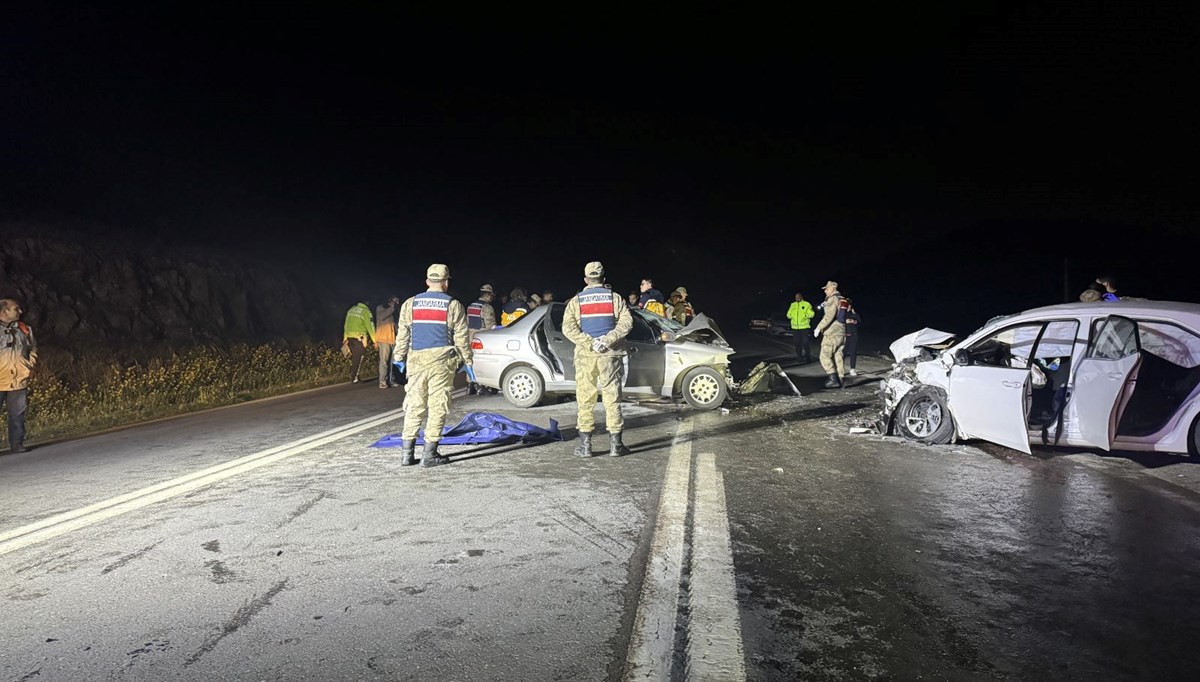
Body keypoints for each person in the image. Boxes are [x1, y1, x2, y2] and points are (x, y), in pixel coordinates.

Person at [393, 264, 472, 468]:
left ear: (428, 281)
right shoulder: (453, 305)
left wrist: (399, 358)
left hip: (416, 361)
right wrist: (468, 361)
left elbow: (403, 335)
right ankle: (430, 454)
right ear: (446, 283)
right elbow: (462, 337)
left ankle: (406, 454)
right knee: (438, 406)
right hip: (441, 362)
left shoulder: (410, 304)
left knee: (414, 404)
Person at [562, 261, 634, 457]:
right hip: (610, 354)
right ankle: (616, 446)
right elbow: (627, 322)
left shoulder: (576, 301)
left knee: (585, 398)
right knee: (612, 398)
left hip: (586, 355)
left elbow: (567, 328)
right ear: (603, 279)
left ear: (586, 279)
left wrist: (589, 342)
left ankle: (585, 447)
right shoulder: (615, 298)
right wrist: (607, 340)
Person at [1, 298, 36, 453]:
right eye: (16, 309)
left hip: (18, 378)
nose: (20, 311)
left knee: (18, 413)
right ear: (4, 311)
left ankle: (17, 443)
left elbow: (33, 348)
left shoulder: (24, 329)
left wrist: (30, 365)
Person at [813, 281, 848, 388]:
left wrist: (818, 328)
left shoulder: (833, 299)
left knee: (824, 356)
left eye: (827, 289)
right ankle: (841, 378)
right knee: (838, 355)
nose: (825, 290)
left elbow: (829, 316)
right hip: (841, 332)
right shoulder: (842, 299)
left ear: (833, 288)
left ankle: (833, 378)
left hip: (832, 332)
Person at [467, 284, 498, 395]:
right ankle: (482, 386)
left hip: (470, 337)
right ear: (488, 295)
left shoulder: (470, 306)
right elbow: (491, 326)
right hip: (482, 339)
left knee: (470, 360)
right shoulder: (487, 308)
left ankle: (470, 384)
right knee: (483, 361)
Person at [342, 300, 375, 383]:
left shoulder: (351, 310)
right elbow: (370, 327)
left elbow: (346, 324)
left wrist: (345, 337)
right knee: (359, 357)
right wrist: (375, 340)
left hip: (349, 338)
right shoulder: (366, 311)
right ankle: (354, 377)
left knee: (354, 357)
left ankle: (355, 375)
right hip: (359, 338)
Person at [375, 295, 401, 388]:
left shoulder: (394, 311)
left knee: (392, 362)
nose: (397, 303)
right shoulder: (381, 308)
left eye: (398, 301)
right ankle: (382, 381)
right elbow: (382, 317)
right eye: (395, 301)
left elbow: (397, 325)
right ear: (390, 301)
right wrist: (391, 308)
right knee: (384, 361)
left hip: (393, 339)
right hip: (384, 339)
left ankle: (391, 380)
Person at [786, 292, 815, 363]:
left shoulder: (807, 304)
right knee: (797, 343)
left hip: (804, 327)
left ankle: (808, 357)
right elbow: (788, 314)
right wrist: (790, 315)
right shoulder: (793, 305)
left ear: (802, 297)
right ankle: (799, 356)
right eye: (796, 297)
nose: (797, 298)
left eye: (798, 297)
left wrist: (805, 316)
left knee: (805, 342)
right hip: (795, 328)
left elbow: (812, 314)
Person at [844, 298, 861, 377]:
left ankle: (852, 369)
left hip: (853, 335)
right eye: (847, 305)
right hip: (844, 336)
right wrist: (846, 321)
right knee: (842, 353)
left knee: (853, 352)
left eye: (850, 305)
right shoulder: (842, 313)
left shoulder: (853, 313)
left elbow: (860, 322)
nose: (849, 307)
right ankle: (840, 369)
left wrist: (854, 318)